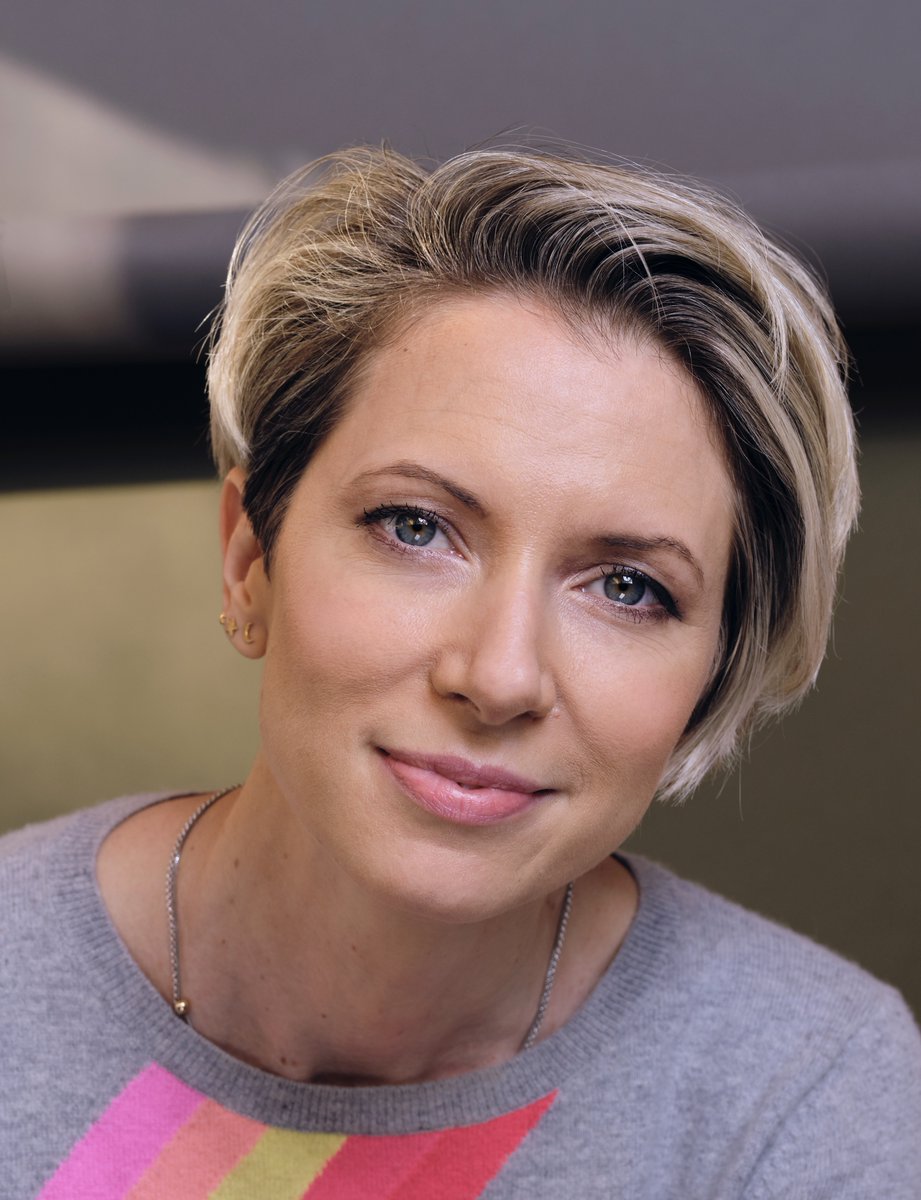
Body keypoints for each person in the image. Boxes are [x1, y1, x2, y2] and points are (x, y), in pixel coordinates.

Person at [2, 146, 919, 1199]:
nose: (500, 675)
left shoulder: (805, 1098)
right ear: (250, 559)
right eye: (416, 527)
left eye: (628, 588)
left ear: (713, 676)